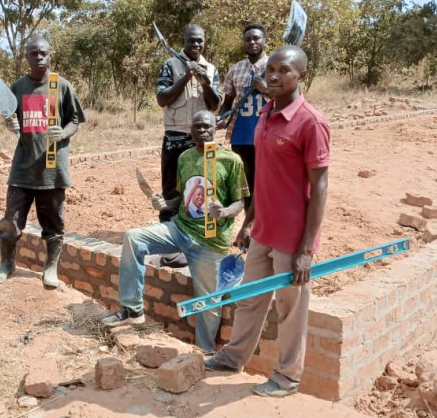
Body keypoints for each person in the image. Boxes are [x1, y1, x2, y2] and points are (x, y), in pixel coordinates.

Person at [203, 46, 331, 398]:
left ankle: (288, 378)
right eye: (270, 69)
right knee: (250, 299)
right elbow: (263, 177)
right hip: (263, 230)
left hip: (292, 239)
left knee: (289, 310)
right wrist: (249, 223)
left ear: (301, 75)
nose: (273, 76)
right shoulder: (266, 114)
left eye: (283, 70)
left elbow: (320, 187)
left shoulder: (311, 122)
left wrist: (306, 249)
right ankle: (233, 357)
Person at [102, 110, 248, 354]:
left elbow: (240, 202)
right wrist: (166, 204)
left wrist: (223, 212)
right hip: (180, 229)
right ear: (190, 131)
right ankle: (132, 309)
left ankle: (205, 353)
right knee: (133, 238)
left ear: (216, 128)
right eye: (197, 127)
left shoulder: (231, 160)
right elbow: (183, 197)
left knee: (209, 304)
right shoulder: (185, 158)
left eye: (206, 126)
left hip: (210, 242)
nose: (202, 131)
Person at [0, 36, 86, 288]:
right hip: (23, 167)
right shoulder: (18, 87)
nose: (39, 57)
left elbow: (74, 120)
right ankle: (6, 264)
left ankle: (50, 267)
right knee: (9, 224)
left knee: (54, 224)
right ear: (27, 57)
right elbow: (11, 118)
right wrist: (10, 124)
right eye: (34, 53)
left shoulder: (61, 86)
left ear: (50, 55)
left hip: (52, 169)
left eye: (43, 53)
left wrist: (63, 133)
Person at [155, 24, 222, 268]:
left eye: (200, 41)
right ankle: (168, 245)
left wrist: (203, 79)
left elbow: (214, 105)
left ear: (204, 42)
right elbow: (162, 99)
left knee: (200, 192)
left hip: (203, 140)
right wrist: (186, 76)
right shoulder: (170, 65)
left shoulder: (212, 69)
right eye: (191, 41)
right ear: (183, 40)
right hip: (175, 138)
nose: (196, 45)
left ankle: (197, 244)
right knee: (172, 194)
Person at [217, 24, 269, 212]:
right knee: (246, 184)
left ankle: (267, 230)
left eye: (256, 38)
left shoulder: (275, 66)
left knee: (268, 182)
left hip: (268, 135)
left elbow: (286, 99)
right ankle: (250, 229)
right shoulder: (235, 69)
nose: (252, 42)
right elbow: (228, 101)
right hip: (241, 136)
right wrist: (222, 117)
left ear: (265, 41)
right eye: (248, 39)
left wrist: (265, 88)